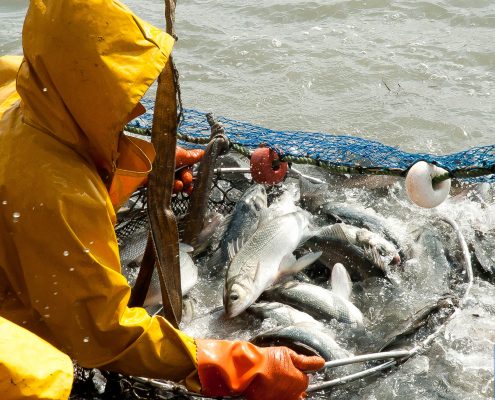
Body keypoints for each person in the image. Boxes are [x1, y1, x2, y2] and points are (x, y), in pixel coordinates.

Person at [0, 1, 325, 399]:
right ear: (84, 87)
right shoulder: (59, 194)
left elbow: (44, 170)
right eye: (118, 92)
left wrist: (142, 172)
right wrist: (239, 366)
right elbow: (103, 335)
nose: (135, 106)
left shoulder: (20, 83)